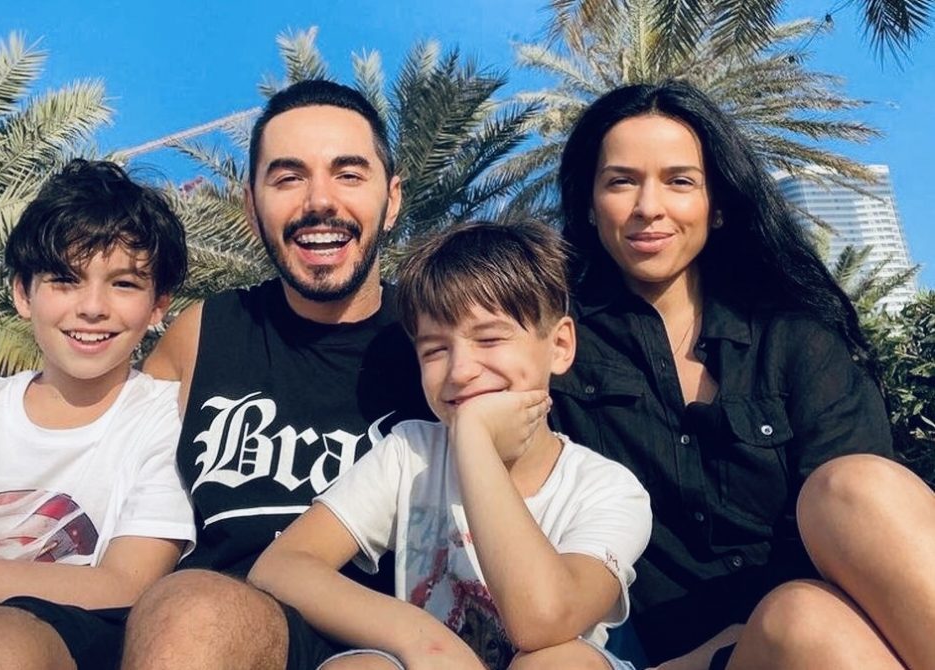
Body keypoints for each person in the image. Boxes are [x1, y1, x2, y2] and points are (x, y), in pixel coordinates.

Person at [547, 80, 911, 670]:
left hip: (830, 635)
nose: (648, 206)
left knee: (857, 489)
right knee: (800, 619)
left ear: (717, 205)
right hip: (668, 658)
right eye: (621, 181)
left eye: (679, 181)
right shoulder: (554, 350)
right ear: (589, 204)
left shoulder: (795, 339)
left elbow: (863, 539)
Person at [119, 79, 431, 670]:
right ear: (250, 206)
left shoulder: (439, 345)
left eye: (349, 174)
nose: (319, 201)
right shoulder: (203, 334)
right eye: (288, 178)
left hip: (383, 645)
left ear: (391, 200)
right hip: (195, 634)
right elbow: (106, 465)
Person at [249, 219, 652, 670]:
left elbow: (541, 621)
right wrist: (422, 638)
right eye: (435, 350)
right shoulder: (411, 455)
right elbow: (280, 566)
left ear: (559, 345)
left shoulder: (608, 490)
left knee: (558, 663)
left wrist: (475, 441)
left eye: (490, 338)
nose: (460, 370)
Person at [0, 160, 195, 664]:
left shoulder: (166, 423)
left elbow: (124, 586)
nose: (92, 307)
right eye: (65, 280)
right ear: (22, 293)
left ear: (158, 306)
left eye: (123, 284)